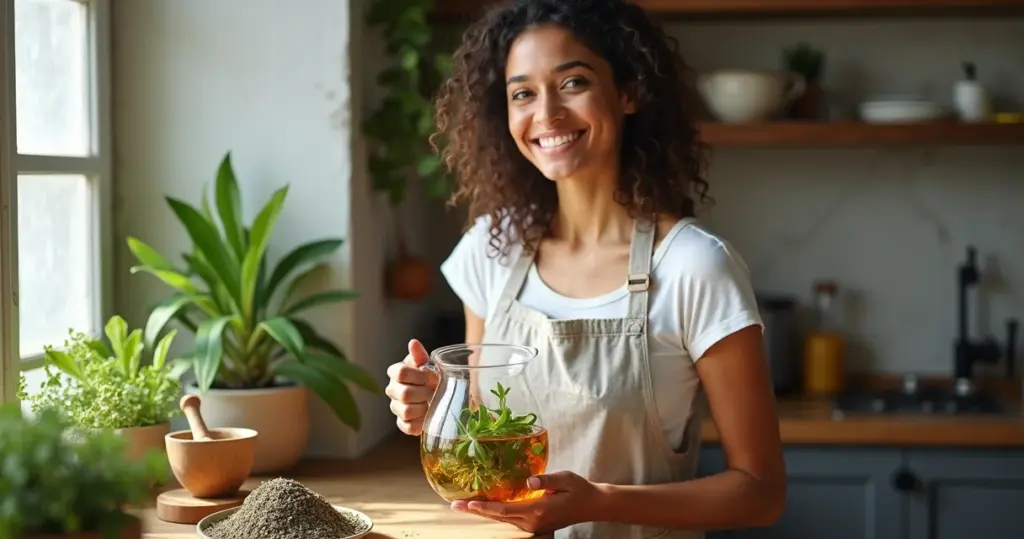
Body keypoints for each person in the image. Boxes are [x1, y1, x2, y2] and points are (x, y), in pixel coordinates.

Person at [384, 0, 786, 537]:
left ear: (627, 92)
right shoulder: (491, 250)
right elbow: (483, 432)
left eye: (572, 83)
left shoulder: (696, 267)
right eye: (522, 93)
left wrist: (599, 501)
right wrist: (438, 403)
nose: (546, 114)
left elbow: (760, 493)